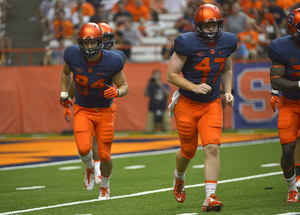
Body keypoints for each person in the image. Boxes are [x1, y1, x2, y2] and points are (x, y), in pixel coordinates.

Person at [166, 4, 235, 212]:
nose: (211, 30)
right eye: (207, 26)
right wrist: (193, 87)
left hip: (212, 102)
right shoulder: (186, 43)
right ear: (197, 26)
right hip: (187, 102)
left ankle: (210, 197)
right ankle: (179, 177)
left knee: (212, 147)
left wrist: (228, 90)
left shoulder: (228, 42)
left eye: (214, 25)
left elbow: (227, 68)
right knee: (188, 150)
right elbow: (171, 74)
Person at [59, 22, 129, 200]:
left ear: (101, 42)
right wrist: (65, 95)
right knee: (83, 148)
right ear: (80, 43)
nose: (89, 47)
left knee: (105, 154)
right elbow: (70, 75)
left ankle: (105, 186)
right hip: (83, 108)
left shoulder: (113, 59)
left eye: (93, 43)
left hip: (105, 109)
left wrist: (118, 92)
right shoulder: (73, 55)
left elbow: (124, 85)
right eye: (86, 43)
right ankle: (90, 168)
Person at [267, 8, 300, 203]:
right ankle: (292, 189)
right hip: (290, 103)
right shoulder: (281, 48)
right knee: (287, 149)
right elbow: (276, 81)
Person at [270, 90, 300, 189]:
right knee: (292, 140)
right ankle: (298, 175)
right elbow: (276, 77)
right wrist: (274, 91)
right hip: (291, 99)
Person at [144, 69, 171, 133]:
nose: (157, 76)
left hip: (163, 109)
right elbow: (146, 94)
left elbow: (168, 93)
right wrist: (149, 83)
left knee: (167, 129)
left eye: (158, 74)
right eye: (155, 74)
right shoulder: (151, 86)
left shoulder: (165, 85)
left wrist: (160, 84)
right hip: (152, 109)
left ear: (161, 76)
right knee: (149, 130)